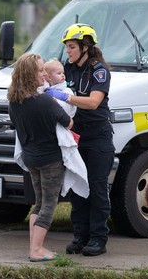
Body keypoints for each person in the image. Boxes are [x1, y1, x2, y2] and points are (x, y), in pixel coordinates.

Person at [46, 23, 115, 256]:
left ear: (86, 46)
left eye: (72, 46)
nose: (68, 51)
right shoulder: (69, 68)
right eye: (67, 47)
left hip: (98, 138)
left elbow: (94, 102)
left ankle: (98, 239)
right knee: (77, 188)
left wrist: (66, 96)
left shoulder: (99, 70)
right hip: (76, 137)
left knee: (96, 188)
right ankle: (80, 236)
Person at [8, 53, 73, 262]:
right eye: (40, 70)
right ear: (29, 75)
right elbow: (68, 122)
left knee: (39, 202)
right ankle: (36, 250)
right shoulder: (45, 101)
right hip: (50, 160)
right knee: (49, 204)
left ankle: (34, 246)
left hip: (31, 159)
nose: (44, 74)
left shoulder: (14, 102)